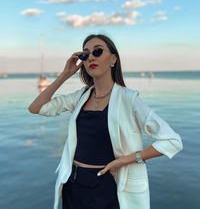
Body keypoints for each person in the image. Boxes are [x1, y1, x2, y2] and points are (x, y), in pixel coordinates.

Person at [28, 34, 183, 209]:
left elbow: (172, 141)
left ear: (113, 58)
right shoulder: (80, 97)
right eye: (85, 55)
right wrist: (65, 75)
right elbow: (36, 108)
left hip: (108, 186)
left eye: (98, 51)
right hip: (74, 184)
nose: (91, 57)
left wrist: (126, 160)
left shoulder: (129, 100)